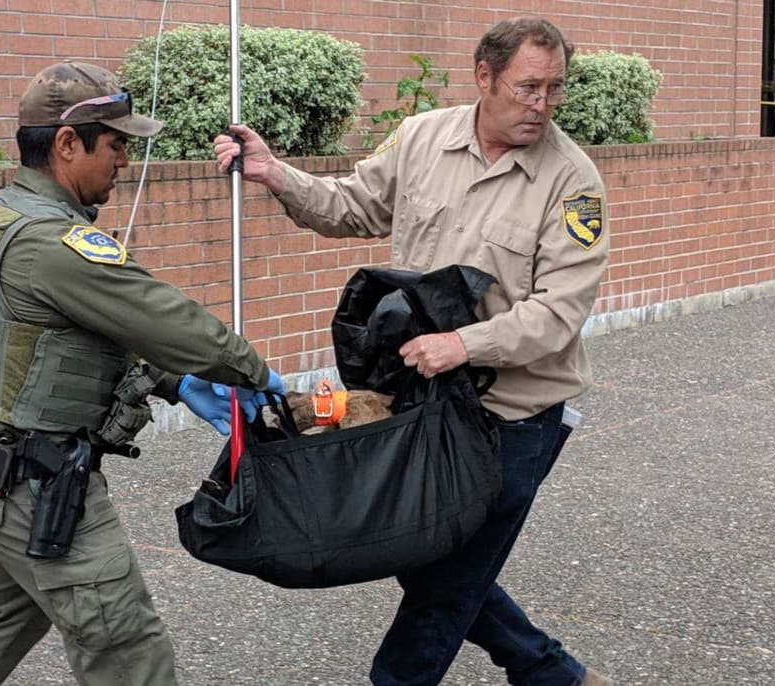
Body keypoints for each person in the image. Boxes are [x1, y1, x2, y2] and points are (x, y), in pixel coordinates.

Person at [215, 16, 612, 686]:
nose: (542, 104)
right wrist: (274, 175)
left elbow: (558, 314)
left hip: (515, 416)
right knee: (423, 555)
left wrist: (464, 343)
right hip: (424, 400)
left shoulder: (572, 182)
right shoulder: (425, 137)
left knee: (447, 581)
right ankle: (549, 672)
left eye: (555, 89)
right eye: (528, 87)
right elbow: (352, 207)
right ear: (484, 76)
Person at [0, 61, 283, 686]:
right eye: (114, 145)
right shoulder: (55, 243)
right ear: (66, 144)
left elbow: (62, 340)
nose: (123, 162)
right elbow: (164, 318)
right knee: (127, 649)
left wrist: (173, 382)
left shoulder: (6, 213)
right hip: (37, 485)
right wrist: (252, 371)